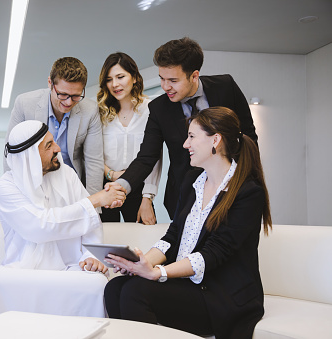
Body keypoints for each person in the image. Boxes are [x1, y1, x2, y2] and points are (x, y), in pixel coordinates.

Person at [103, 107, 272, 339]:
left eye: (192, 136)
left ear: (215, 140)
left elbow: (214, 253)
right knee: (115, 287)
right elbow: (173, 237)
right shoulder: (193, 180)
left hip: (222, 295)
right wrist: (140, 264)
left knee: (136, 292)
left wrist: (158, 272)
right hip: (189, 286)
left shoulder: (247, 192)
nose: (185, 144)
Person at [0, 120, 126, 320]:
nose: (58, 149)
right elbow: (40, 227)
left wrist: (90, 257)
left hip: (71, 268)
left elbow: (91, 223)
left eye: (53, 141)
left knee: (97, 283)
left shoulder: (67, 174)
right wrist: (95, 200)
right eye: (49, 146)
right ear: (30, 157)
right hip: (22, 271)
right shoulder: (5, 187)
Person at [116, 37, 258, 218]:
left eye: (173, 80)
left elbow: (248, 136)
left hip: (231, 190)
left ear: (194, 76)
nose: (165, 86)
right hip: (183, 198)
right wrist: (122, 185)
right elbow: (147, 157)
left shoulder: (226, 87)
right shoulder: (159, 108)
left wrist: (248, 179)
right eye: (162, 79)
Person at [4, 57, 103, 197]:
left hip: (71, 186)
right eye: (62, 94)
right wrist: (14, 196)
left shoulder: (90, 110)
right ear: (50, 83)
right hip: (35, 183)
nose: (69, 102)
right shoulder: (25, 104)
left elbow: (94, 161)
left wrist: (94, 207)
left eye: (76, 96)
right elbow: (12, 154)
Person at [97, 52, 162, 225]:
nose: (115, 84)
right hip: (106, 186)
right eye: (109, 79)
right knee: (106, 241)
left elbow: (154, 157)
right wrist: (112, 174)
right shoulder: (100, 113)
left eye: (120, 77)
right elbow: (92, 153)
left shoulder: (151, 109)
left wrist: (147, 198)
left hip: (139, 188)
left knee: (143, 241)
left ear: (134, 78)